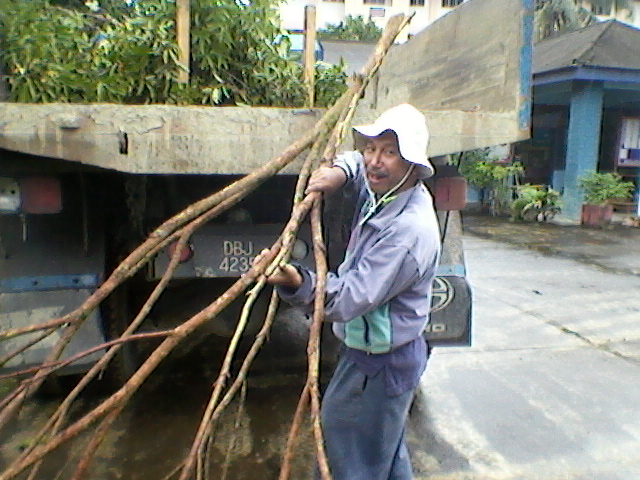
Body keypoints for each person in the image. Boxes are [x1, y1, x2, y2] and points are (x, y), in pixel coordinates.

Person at [256, 103, 441, 480]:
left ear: (412, 163)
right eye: (372, 148)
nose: (375, 160)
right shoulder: (387, 191)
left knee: (350, 456)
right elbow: (359, 164)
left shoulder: (408, 232)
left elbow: (349, 298)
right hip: (369, 352)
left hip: (382, 362)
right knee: (381, 453)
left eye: (389, 152)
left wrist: (298, 282)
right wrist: (341, 171)